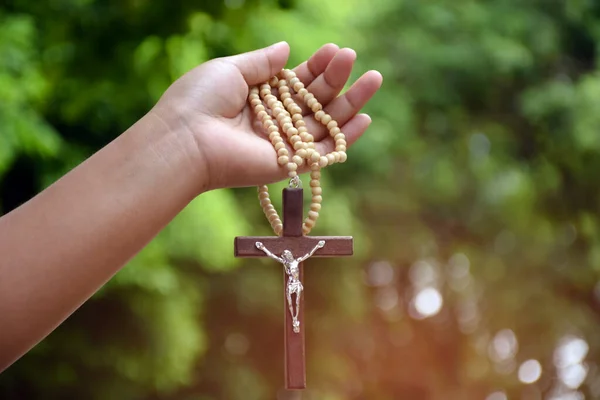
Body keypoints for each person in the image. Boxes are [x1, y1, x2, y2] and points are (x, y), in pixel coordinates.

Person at [0, 41, 383, 372]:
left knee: (297, 313)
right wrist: (184, 138)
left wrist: (186, 145)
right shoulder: (279, 250)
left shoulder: (305, 248)